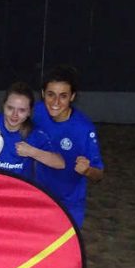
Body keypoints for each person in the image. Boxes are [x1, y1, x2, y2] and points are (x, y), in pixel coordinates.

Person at [33, 65, 104, 229]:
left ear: (72, 96)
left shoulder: (84, 129)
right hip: (40, 198)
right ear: (43, 94)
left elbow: (99, 175)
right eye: (50, 95)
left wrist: (87, 171)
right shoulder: (37, 112)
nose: (55, 102)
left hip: (70, 205)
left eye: (63, 96)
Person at [0, 81, 65, 179]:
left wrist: (32, 152)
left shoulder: (34, 134)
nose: (14, 115)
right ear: (3, 106)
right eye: (10, 108)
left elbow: (60, 163)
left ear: (29, 112)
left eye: (22, 110)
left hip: (20, 191)